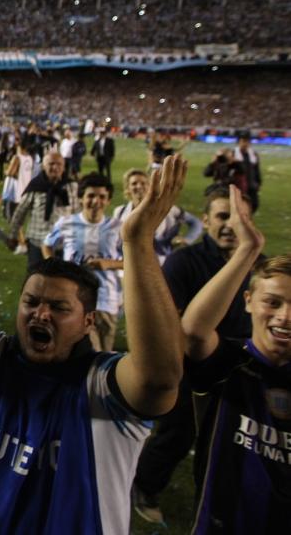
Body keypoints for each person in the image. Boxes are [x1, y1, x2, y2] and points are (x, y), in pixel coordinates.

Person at [0, 154, 187, 534]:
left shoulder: (103, 386)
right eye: (31, 302)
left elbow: (160, 378)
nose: (40, 314)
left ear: (88, 322)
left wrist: (136, 243)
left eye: (58, 307)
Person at [131, 184, 262, 523]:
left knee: (236, 440)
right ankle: (145, 487)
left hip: (241, 370)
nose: (231, 225)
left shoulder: (258, 266)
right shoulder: (183, 261)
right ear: (205, 220)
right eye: (223, 216)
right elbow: (166, 320)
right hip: (188, 367)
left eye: (241, 217)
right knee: (177, 435)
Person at [178, 189, 285, 534]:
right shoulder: (230, 363)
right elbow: (193, 331)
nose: (285, 317)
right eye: (273, 302)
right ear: (248, 301)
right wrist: (248, 250)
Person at [42, 172, 124, 351]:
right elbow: (47, 244)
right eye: (91, 196)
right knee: (86, 351)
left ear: (108, 200)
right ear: (81, 198)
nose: (96, 201)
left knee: (105, 354)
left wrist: (109, 264)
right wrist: (54, 267)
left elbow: (131, 262)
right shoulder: (66, 223)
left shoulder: (117, 227)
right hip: (74, 300)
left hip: (107, 300)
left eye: (102, 197)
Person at [111, 168, 202, 264]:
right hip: (132, 265)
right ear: (127, 188)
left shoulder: (165, 208)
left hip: (162, 265)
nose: (139, 186)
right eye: (134, 183)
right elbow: (117, 242)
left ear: (150, 186)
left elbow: (196, 223)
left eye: (143, 183)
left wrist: (187, 239)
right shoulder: (120, 211)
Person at [6, 150, 74, 272]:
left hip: (63, 244)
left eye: (59, 164)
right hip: (38, 241)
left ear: (64, 167)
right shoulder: (35, 186)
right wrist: (13, 235)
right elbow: (20, 212)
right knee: (36, 279)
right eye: (51, 164)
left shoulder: (71, 187)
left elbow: (78, 213)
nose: (55, 167)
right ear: (43, 166)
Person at [233, 134, 261, 211]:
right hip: (238, 185)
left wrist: (258, 183)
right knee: (238, 206)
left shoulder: (253, 154)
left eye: (247, 141)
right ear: (238, 143)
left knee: (254, 205)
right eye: (243, 141)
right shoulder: (233, 154)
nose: (245, 144)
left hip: (251, 185)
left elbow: (256, 170)